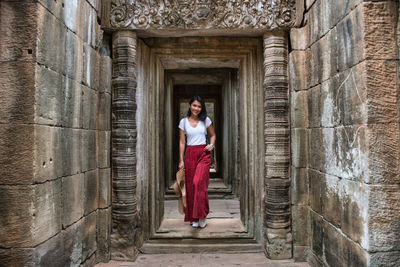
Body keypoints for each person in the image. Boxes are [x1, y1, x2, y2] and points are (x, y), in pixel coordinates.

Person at [178, 96, 216, 228]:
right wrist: (181, 160)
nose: (196, 108)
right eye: (194, 105)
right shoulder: (183, 122)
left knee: (198, 182)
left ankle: (202, 215)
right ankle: (194, 217)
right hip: (189, 154)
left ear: (202, 108)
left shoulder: (205, 120)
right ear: (190, 106)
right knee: (191, 186)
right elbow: (182, 142)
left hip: (203, 153)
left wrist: (211, 145)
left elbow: (213, 135)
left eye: (199, 106)